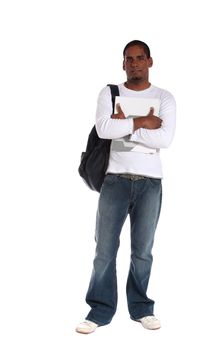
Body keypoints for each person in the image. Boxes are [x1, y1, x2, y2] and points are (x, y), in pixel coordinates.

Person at [76, 40, 176, 334]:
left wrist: (126, 124)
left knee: (143, 251)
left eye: (140, 58)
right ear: (123, 64)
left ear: (150, 61)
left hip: (150, 183)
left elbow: (165, 140)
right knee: (104, 250)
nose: (134, 63)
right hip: (115, 180)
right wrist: (144, 121)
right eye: (129, 59)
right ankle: (99, 310)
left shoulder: (165, 97)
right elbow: (105, 129)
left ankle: (142, 308)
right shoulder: (109, 93)